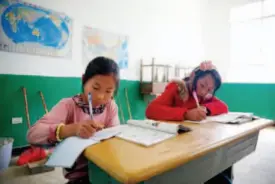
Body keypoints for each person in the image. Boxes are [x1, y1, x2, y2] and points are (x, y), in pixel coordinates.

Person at [27, 56, 120, 184]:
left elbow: (114, 138)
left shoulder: (110, 106)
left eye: (108, 91)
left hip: (105, 171)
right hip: (79, 177)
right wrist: (70, 129)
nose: (100, 96)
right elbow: (33, 134)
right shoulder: (68, 105)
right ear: (83, 80)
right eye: (95, 88)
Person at [145, 61, 233, 184]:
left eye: (209, 89)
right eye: (202, 85)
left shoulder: (204, 96)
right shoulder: (177, 87)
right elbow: (151, 110)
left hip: (193, 147)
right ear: (193, 77)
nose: (204, 92)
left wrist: (206, 109)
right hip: (170, 150)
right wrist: (186, 114)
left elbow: (223, 107)